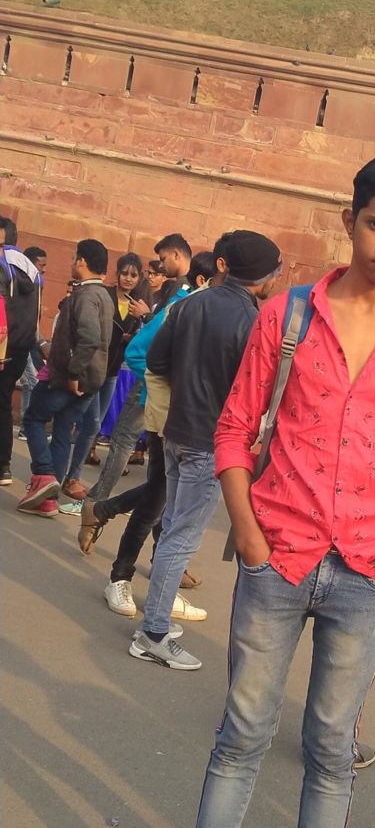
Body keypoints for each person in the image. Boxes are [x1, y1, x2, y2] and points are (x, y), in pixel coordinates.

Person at [194, 155, 375, 827]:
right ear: (350, 221)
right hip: (277, 553)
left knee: (332, 749)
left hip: (366, 569)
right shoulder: (289, 317)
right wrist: (247, 533)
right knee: (242, 737)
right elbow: (234, 429)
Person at [129, 231, 282, 668]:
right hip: (210, 440)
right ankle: (153, 633)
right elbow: (255, 390)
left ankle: (156, 618)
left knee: (173, 527)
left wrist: (189, 387)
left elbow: (156, 361)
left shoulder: (191, 303)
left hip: (176, 430)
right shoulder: (251, 320)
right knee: (181, 536)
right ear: (263, 275)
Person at [80, 250, 226, 620]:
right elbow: (138, 352)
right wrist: (168, 388)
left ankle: (162, 583)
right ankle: (120, 577)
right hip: (168, 420)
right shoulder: (183, 308)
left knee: (171, 503)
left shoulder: (218, 310)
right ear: (210, 278)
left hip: (197, 423)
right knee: (157, 502)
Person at [77, 233, 194, 510]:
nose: (161, 266)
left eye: (164, 259)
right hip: (164, 378)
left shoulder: (181, 293)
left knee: (124, 439)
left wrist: (145, 318)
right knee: (157, 452)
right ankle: (143, 510)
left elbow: (159, 335)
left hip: (154, 376)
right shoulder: (187, 292)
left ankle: (96, 503)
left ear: (176, 255)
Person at [18, 240, 113, 517]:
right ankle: (48, 500)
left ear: (82, 261)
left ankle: (44, 475)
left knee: (33, 419)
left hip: (69, 378)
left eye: (74, 258)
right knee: (61, 432)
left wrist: (73, 373)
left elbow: (90, 338)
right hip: (90, 381)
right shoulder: (104, 296)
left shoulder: (86, 296)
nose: (72, 262)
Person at [62, 252, 151, 501]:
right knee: (85, 423)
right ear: (117, 274)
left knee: (93, 425)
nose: (128, 279)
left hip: (112, 372)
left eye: (133, 275)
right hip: (93, 368)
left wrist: (134, 333)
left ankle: (71, 475)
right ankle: (67, 475)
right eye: (124, 273)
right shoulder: (105, 296)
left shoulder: (138, 305)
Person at [0, 218, 42, 486]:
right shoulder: (31, 267)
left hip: (4, 343)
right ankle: (4, 465)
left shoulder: (2, 261)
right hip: (22, 344)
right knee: (4, 402)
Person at [17, 246, 48, 441]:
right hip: (21, 339)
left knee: (32, 381)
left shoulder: (35, 282)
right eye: (40, 265)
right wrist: (41, 341)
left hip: (27, 340)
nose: (43, 269)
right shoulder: (22, 282)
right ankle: (25, 426)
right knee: (32, 382)